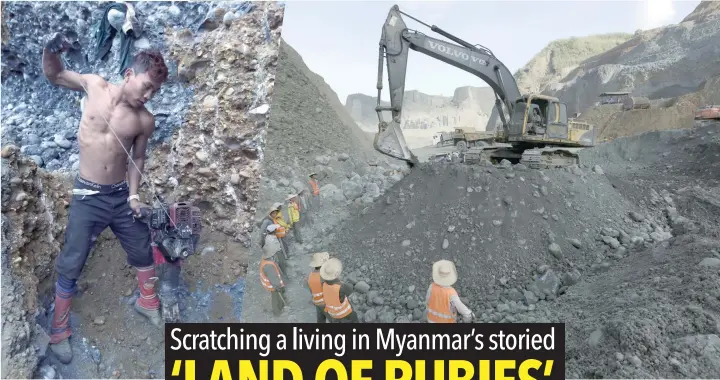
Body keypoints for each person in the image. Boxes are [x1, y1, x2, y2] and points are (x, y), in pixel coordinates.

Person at [42, 31, 169, 364]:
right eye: (146, 86)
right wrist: (50, 49)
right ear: (129, 74)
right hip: (87, 194)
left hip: (118, 197)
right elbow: (55, 75)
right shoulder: (94, 86)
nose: (150, 94)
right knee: (73, 260)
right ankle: (58, 330)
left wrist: (134, 195)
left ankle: (148, 302)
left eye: (156, 90)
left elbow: (137, 159)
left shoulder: (145, 120)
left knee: (142, 249)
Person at [320, 258, 359, 323]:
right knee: (354, 319)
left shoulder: (323, 284)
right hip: (345, 314)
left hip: (333, 315)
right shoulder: (341, 287)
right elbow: (350, 289)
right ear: (336, 274)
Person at [260, 247, 287, 316]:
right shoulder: (269, 266)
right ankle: (277, 311)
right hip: (273, 285)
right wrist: (277, 286)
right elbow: (273, 278)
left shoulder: (265, 261)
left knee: (277, 296)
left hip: (272, 284)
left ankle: (280, 307)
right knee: (275, 298)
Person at [306, 252, 330, 323]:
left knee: (320, 320)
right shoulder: (323, 276)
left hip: (317, 303)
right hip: (325, 303)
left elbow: (311, 290)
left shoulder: (311, 275)